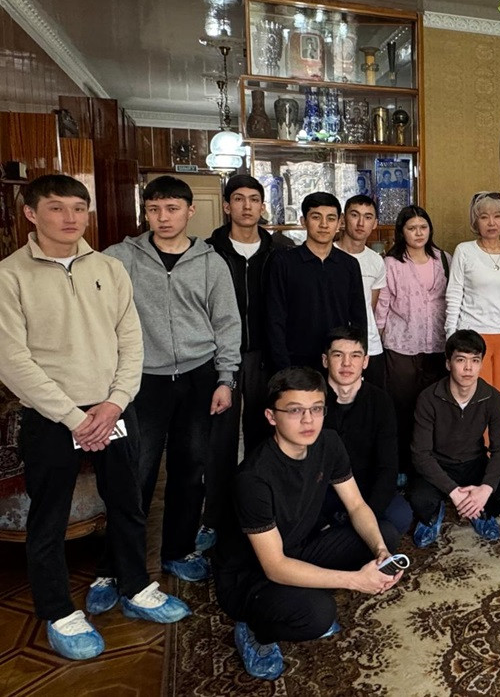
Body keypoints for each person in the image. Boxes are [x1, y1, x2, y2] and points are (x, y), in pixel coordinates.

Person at [0, 175, 190, 660]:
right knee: (49, 516)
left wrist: (114, 402)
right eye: (56, 207)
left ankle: (135, 586)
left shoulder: (109, 267)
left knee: (127, 502)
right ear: (31, 213)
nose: (70, 218)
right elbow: (12, 361)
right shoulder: (9, 276)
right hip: (51, 416)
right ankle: (58, 610)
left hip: (112, 409)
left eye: (78, 208)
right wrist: (73, 417)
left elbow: (131, 339)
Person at [213, 367, 402, 681]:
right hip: (250, 576)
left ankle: (306, 588)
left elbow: (356, 505)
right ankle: (255, 631)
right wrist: (356, 580)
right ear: (271, 416)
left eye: (316, 409)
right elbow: (274, 566)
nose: (308, 420)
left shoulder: (328, 442)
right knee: (318, 614)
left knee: (385, 533)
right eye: (295, 410)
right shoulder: (253, 479)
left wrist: (380, 550)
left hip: (298, 546)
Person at [105, 176, 241, 584]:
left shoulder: (210, 262)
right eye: (154, 209)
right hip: (142, 378)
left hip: (199, 376)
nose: (163, 217)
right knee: (137, 471)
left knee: (190, 468)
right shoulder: (120, 258)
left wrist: (226, 378)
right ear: (145, 212)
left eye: (172, 209)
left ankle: (178, 551)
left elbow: (227, 323)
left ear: (190, 211)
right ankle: (116, 567)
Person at [204, 175, 287, 551]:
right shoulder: (208, 252)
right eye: (239, 199)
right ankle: (215, 520)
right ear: (227, 206)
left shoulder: (280, 250)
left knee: (262, 434)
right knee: (219, 440)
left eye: (254, 199)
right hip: (220, 355)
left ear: (263, 206)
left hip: (265, 355)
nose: (247, 206)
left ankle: (260, 512)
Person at [408, 330, 500, 547]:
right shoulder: (428, 398)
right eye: (461, 360)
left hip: (474, 463)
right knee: (418, 498)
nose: (468, 368)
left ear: (481, 364)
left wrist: (485, 489)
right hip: (439, 464)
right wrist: (454, 492)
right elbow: (421, 455)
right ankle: (434, 513)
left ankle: (481, 510)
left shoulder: (493, 398)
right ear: (448, 364)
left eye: (475, 360)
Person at [374, 205, 449, 477]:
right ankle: (402, 466)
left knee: (434, 408)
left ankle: (431, 466)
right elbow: (383, 305)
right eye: (412, 228)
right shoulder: (392, 264)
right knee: (403, 408)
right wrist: (377, 340)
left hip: (437, 345)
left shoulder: (444, 259)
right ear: (401, 232)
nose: (418, 233)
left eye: (423, 227)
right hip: (401, 347)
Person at [445, 192, 500, 424]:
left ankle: (499, 447)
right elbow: (454, 295)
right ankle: (476, 447)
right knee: (474, 400)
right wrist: (451, 336)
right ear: (475, 221)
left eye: (497, 216)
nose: (491, 222)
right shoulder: (464, 251)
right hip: (472, 336)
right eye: (484, 217)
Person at [322, 327, 412, 535]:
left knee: (400, 516)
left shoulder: (380, 401)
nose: (347, 363)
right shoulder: (311, 400)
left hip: (367, 488)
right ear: (325, 360)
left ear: (365, 361)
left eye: (355, 356)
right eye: (338, 355)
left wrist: (368, 513)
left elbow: (388, 466)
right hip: (324, 490)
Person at [266, 192, 366, 371]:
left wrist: (357, 360)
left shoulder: (349, 264)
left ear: (340, 223)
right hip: (295, 363)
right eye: (316, 217)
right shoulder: (284, 262)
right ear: (303, 221)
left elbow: (358, 318)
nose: (324, 225)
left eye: (331, 218)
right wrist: (283, 367)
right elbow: (275, 318)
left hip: (338, 362)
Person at [337, 194, 388, 389]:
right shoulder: (329, 254)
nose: (361, 223)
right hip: (335, 344)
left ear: (375, 223)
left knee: (371, 399)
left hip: (369, 344)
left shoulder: (376, 261)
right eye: (355, 215)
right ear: (343, 219)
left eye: (368, 217)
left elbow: (370, 306)